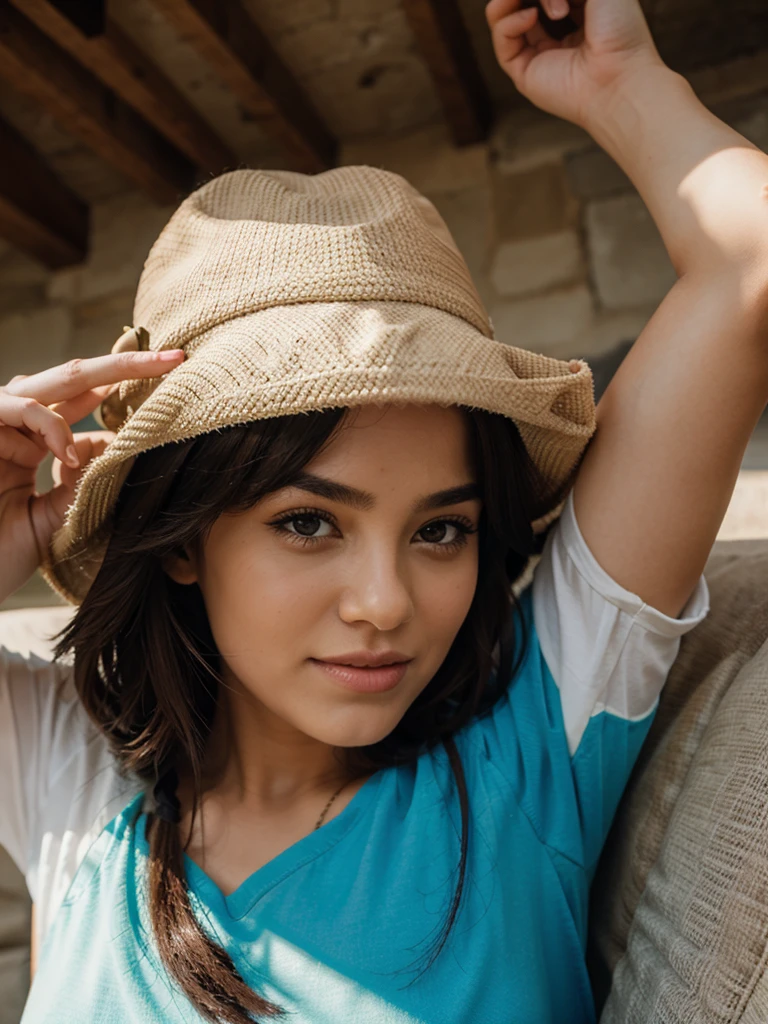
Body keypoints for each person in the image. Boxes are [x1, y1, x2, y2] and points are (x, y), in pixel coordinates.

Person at [0, 0, 766, 1019]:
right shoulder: (75, 784)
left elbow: (752, 264)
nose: (385, 602)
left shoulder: (535, 745)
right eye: (309, 521)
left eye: (440, 529)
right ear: (183, 537)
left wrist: (628, 90)